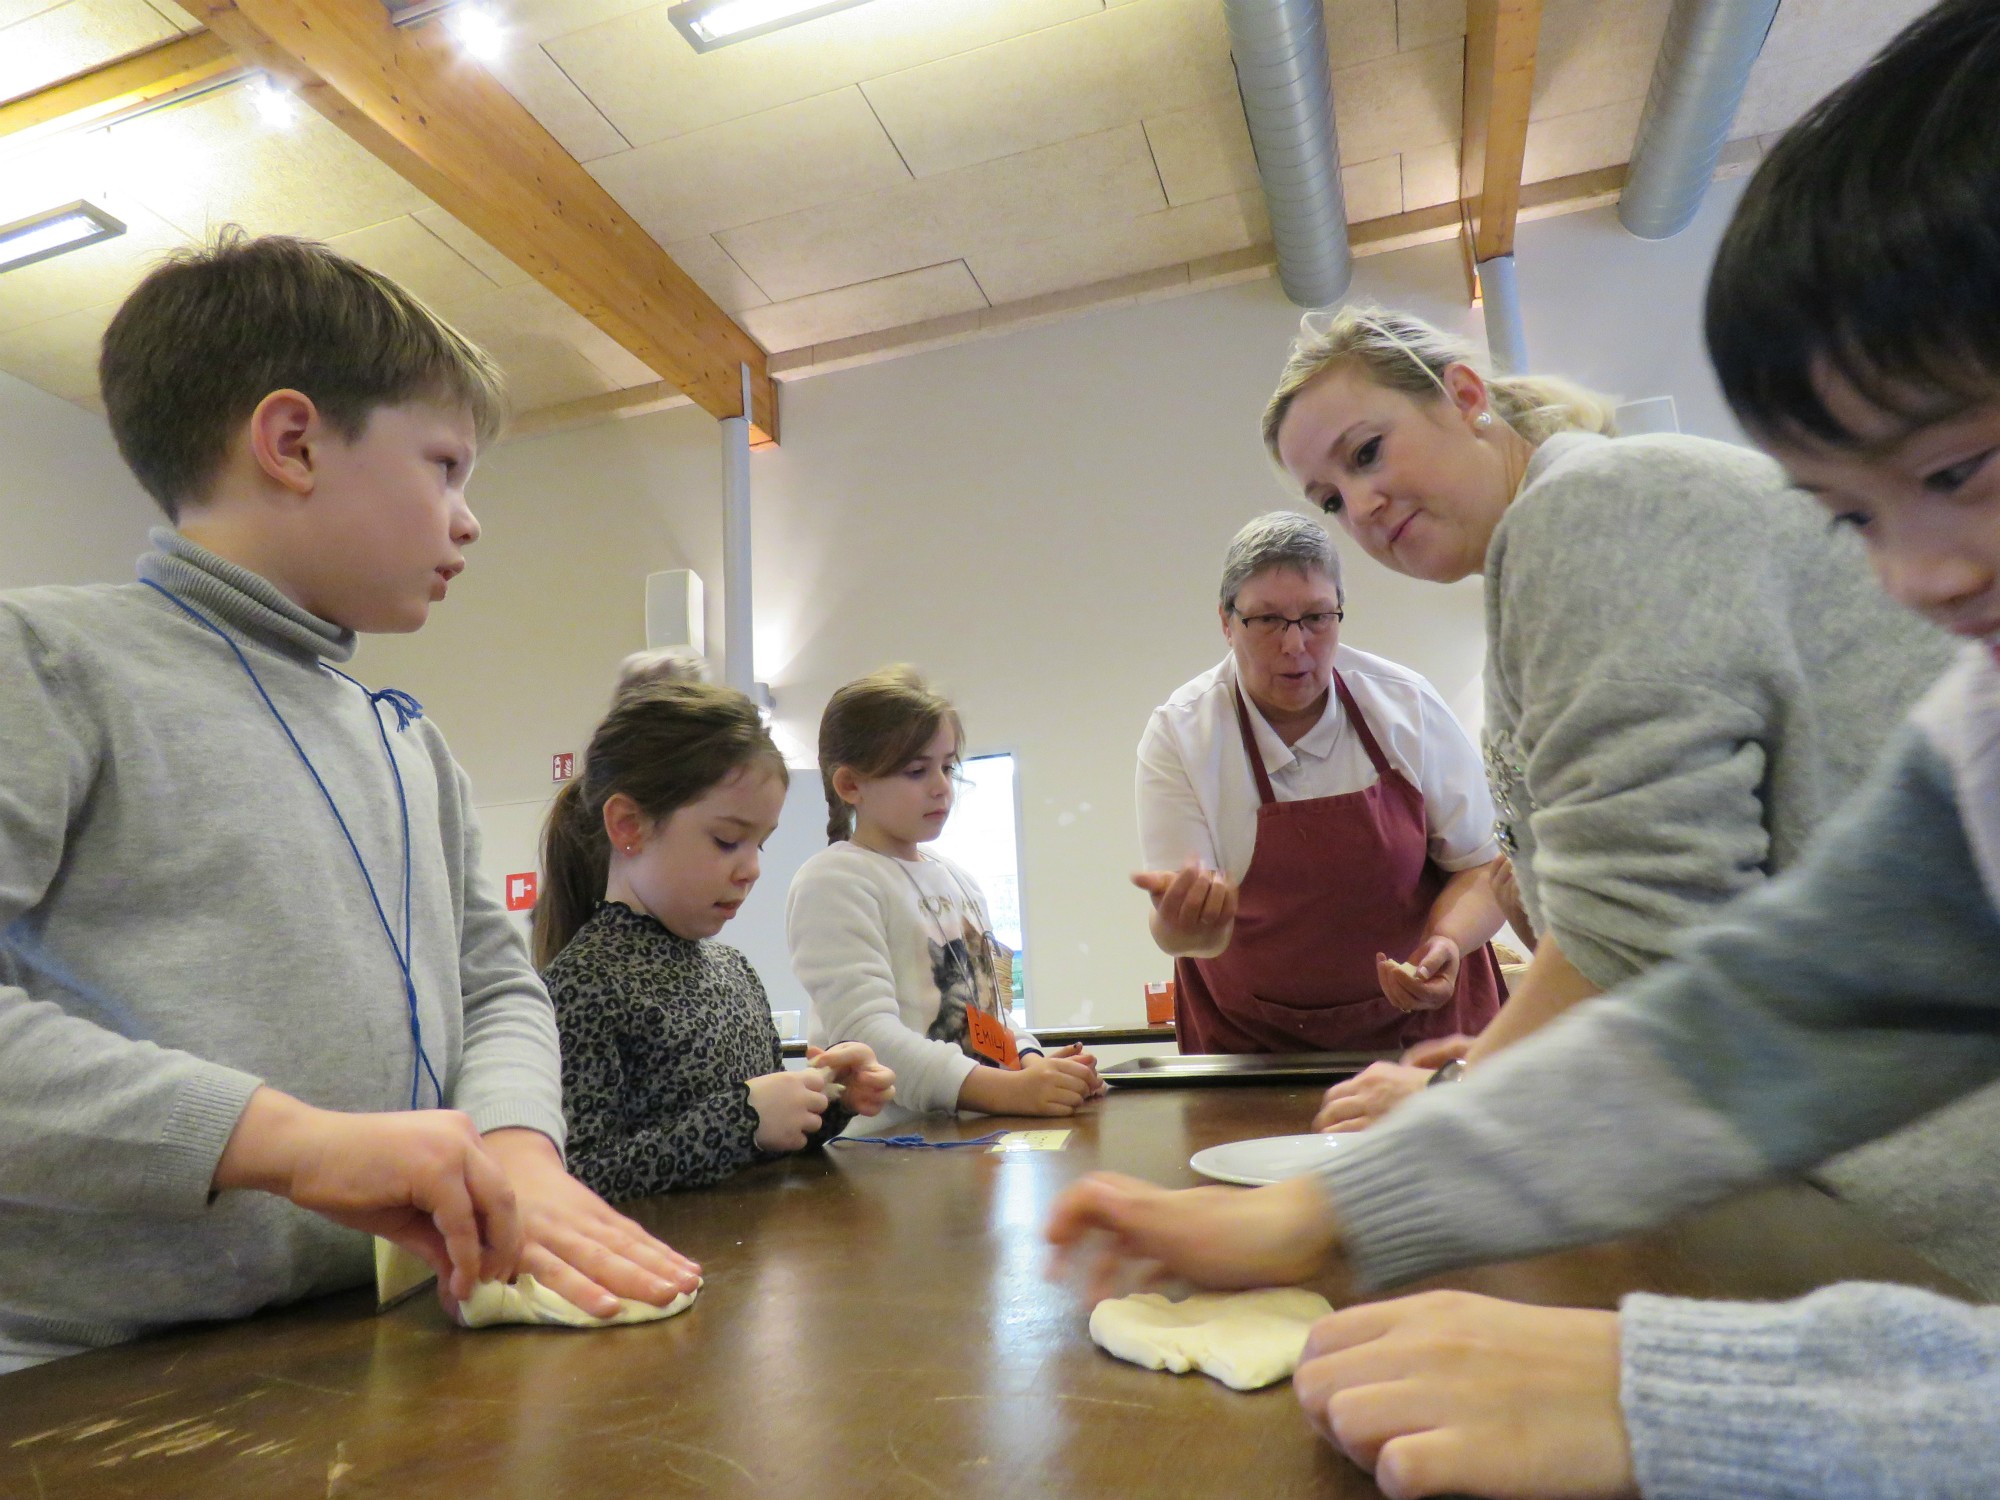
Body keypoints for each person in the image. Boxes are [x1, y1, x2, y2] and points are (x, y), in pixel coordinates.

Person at [1047, 3, 2000, 1493]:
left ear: (1470, 397)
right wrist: (1345, 1208)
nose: (1919, 582)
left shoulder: (1585, 515)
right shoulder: (1964, 726)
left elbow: (1627, 933)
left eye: (1957, 471)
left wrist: (1687, 1391)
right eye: (1863, 517)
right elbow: (1789, 991)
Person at [0, 233, 698, 1374]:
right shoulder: (44, 662)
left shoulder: (410, 745)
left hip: (379, 1342)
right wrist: (290, 1145)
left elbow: (497, 986)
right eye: (444, 467)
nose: (469, 520)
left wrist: (519, 1146)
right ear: (292, 442)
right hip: (94, 1382)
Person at [1135, 511, 1507, 1053]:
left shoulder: (1404, 704)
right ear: (1225, 621)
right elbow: (1183, 933)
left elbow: (1484, 866)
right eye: (1266, 620)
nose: (1295, 645)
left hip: (1424, 1032)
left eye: (1316, 617)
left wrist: (1447, 942)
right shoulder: (1182, 735)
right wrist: (1184, 925)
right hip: (1256, 1048)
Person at [536, 671, 895, 1202]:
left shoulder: (734, 971)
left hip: (752, 1263)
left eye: (760, 844)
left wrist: (825, 1097)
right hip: (661, 1274)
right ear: (629, 825)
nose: (751, 869)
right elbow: (578, 1177)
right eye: (727, 840)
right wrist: (744, 1116)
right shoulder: (583, 985)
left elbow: (765, 1143)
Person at [788, 666, 1102, 1116]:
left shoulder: (961, 880)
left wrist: (1032, 1066)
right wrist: (1008, 1091)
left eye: (948, 766)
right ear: (850, 784)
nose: (941, 787)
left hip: (972, 1135)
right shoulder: (835, 879)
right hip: (887, 1147)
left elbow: (993, 1013)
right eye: (917, 771)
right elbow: (865, 1036)